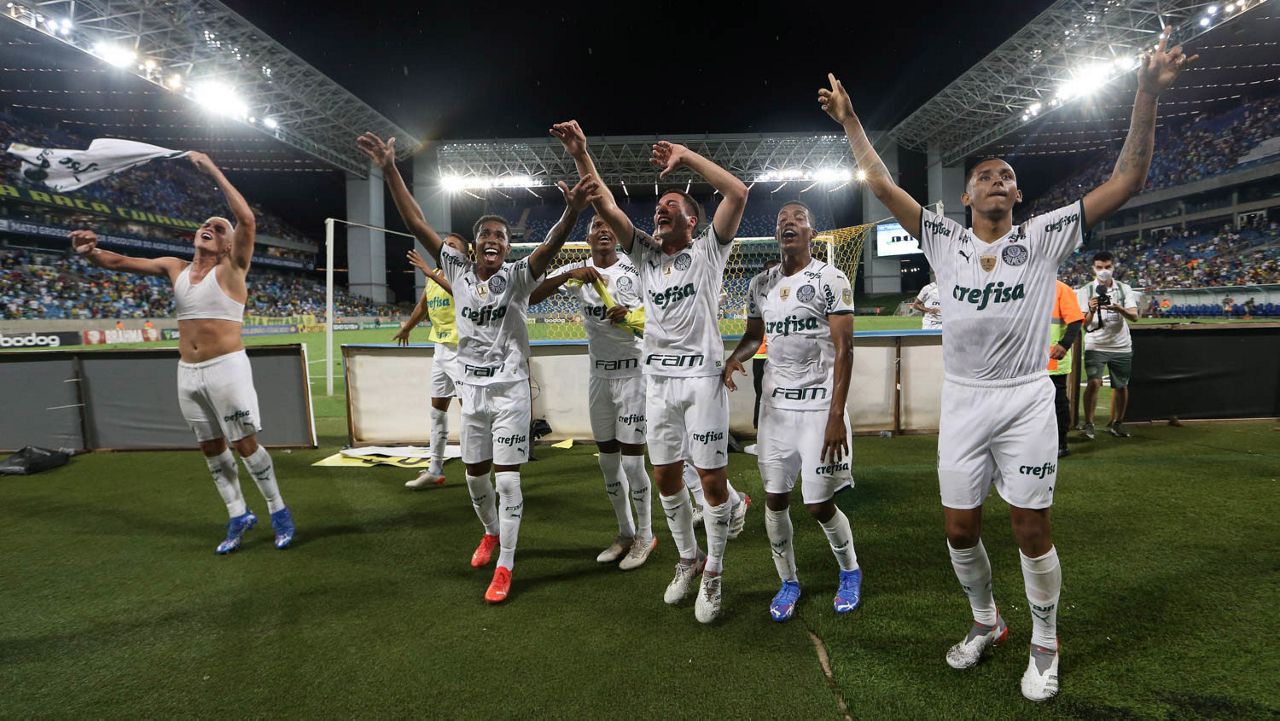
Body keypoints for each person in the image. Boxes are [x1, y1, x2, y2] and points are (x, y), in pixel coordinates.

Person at [820, 27, 1194, 700]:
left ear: (1017, 197)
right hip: (964, 399)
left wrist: (1145, 92)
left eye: (1008, 177)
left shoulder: (1044, 236)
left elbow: (1127, 179)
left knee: (1029, 526)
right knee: (958, 529)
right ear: (966, 198)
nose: (999, 181)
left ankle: (1045, 642)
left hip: (1024, 398)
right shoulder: (943, 239)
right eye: (986, 176)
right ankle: (987, 621)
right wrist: (851, 121)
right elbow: (878, 180)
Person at [358, 131, 599, 604]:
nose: (493, 240)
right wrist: (389, 170)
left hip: (510, 393)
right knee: (473, 477)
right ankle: (490, 531)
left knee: (507, 479)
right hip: (472, 393)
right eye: (486, 234)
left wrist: (571, 211)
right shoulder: (456, 271)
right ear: (474, 246)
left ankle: (506, 563)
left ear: (508, 248)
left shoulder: (518, 277)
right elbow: (416, 220)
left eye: (501, 237)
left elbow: (551, 247)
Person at [551, 119, 751, 623]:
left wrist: (686, 156)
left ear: (692, 221)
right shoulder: (643, 254)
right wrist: (580, 153)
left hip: (701, 381)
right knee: (665, 478)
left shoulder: (709, 250)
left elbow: (738, 192)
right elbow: (605, 205)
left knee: (711, 484)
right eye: (658, 207)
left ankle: (714, 572)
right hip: (657, 382)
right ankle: (688, 559)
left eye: (671, 206)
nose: (660, 210)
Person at [68, 151, 294, 554]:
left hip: (226, 369)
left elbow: (247, 220)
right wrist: (90, 253)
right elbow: (120, 262)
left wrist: (213, 171)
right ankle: (238, 514)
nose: (208, 227)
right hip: (187, 373)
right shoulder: (175, 268)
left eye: (218, 228)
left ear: (228, 245)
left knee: (244, 444)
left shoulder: (232, 269)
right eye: (205, 224)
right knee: (210, 447)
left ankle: (278, 510)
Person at [724, 200, 860, 622]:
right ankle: (788, 581)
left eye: (798, 219)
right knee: (775, 500)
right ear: (777, 234)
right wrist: (735, 357)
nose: (789, 223)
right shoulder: (760, 284)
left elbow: (845, 349)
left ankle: (850, 571)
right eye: (782, 219)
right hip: (776, 411)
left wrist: (836, 416)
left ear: (811, 234)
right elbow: (754, 335)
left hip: (820, 409)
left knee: (818, 505)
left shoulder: (830, 278)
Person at [528, 215, 657, 570]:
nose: (604, 230)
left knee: (632, 462)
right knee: (607, 461)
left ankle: (646, 535)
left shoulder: (634, 268)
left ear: (617, 236)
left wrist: (633, 312)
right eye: (596, 226)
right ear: (587, 239)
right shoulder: (578, 271)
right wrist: (568, 274)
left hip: (633, 375)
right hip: (599, 376)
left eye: (609, 226)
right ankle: (625, 533)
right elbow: (532, 296)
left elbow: (660, 309)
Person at [394, 233, 469, 489]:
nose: (446, 248)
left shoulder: (465, 274)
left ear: (464, 254)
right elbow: (423, 306)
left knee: (471, 413)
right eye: (444, 245)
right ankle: (435, 469)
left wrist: (428, 272)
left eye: (452, 246)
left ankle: (478, 472)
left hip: (463, 352)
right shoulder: (435, 274)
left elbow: (461, 295)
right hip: (441, 350)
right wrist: (407, 328)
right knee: (437, 412)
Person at [1077, 251, 1140, 439]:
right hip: (1095, 344)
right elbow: (1085, 324)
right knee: (1094, 382)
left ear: (1113, 267)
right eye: (1099, 267)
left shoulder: (1124, 289)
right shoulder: (1085, 291)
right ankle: (1089, 424)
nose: (1103, 271)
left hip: (1121, 344)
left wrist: (1119, 308)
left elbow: (1134, 317)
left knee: (1121, 385)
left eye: (1107, 267)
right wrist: (1091, 309)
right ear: (1093, 268)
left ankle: (1118, 423)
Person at [1048, 281, 1083, 458]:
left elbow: (1075, 320)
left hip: (1052, 358)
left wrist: (1064, 344)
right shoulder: (1025, 286)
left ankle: (1061, 443)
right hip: (1027, 360)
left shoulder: (1061, 289)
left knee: (1057, 402)